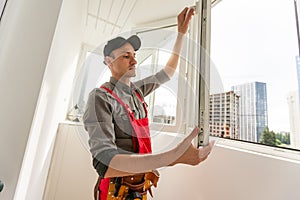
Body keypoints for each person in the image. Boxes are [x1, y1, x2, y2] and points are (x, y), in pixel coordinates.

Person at [83, 7, 215, 200]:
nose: (134, 61)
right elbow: (105, 164)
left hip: (140, 188)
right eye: (126, 56)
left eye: (134, 56)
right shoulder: (100, 98)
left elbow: (168, 72)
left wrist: (180, 34)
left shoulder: (137, 91)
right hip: (115, 192)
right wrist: (173, 157)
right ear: (109, 61)